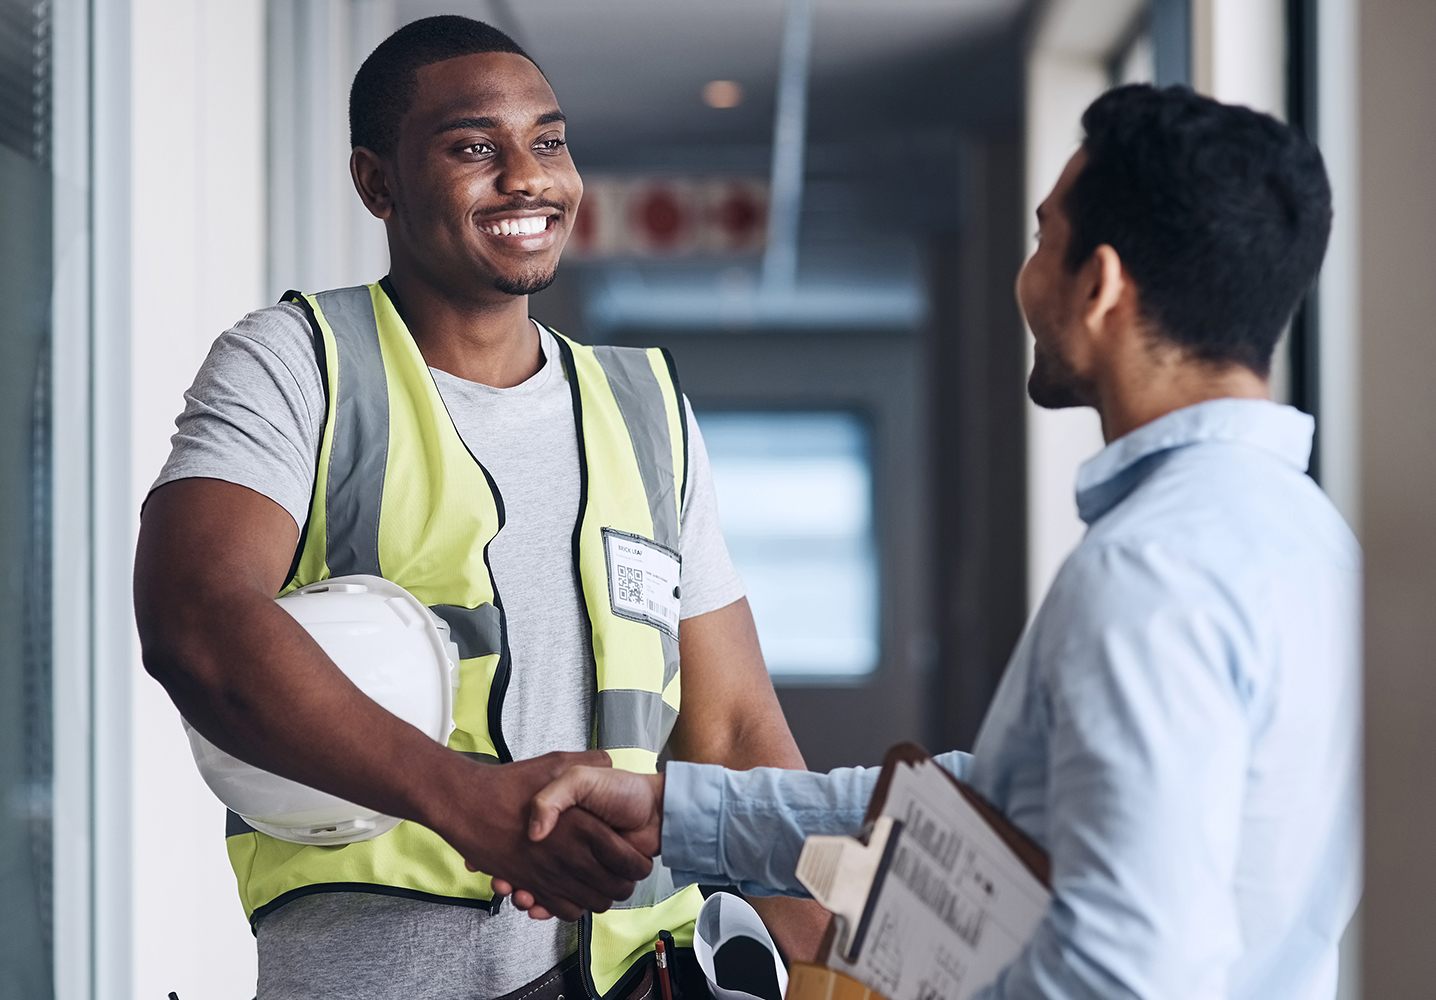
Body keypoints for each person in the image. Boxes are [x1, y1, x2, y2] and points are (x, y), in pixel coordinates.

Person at [500, 85, 1361, 1000]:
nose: (1027, 280)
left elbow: (1117, 972)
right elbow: (997, 807)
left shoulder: (1151, 568)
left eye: (1041, 242)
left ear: (1100, 286)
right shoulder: (1314, 542)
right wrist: (674, 810)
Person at [133, 15, 824, 1000]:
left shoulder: (647, 409)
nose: (528, 176)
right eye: (473, 147)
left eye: (548, 140)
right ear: (377, 182)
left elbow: (741, 733)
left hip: (642, 976)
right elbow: (196, 622)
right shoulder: (299, 365)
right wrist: (471, 805)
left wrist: (844, 957)